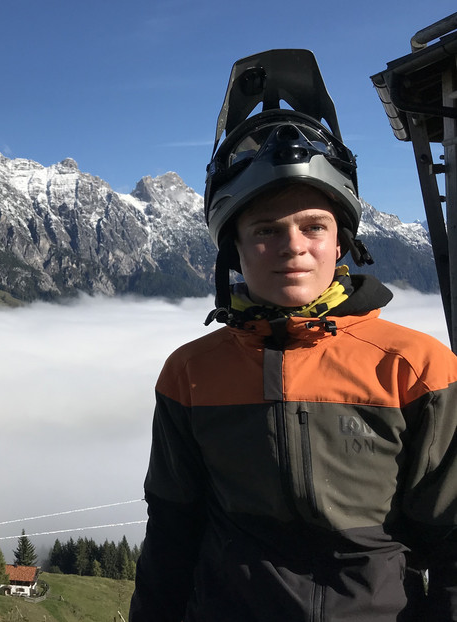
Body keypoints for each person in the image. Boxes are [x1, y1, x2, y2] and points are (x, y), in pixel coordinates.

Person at [129, 49, 457, 621]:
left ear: (343, 242)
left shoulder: (417, 369)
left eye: (314, 226)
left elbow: (453, 539)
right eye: (265, 230)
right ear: (233, 248)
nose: (292, 247)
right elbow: (173, 533)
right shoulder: (190, 373)